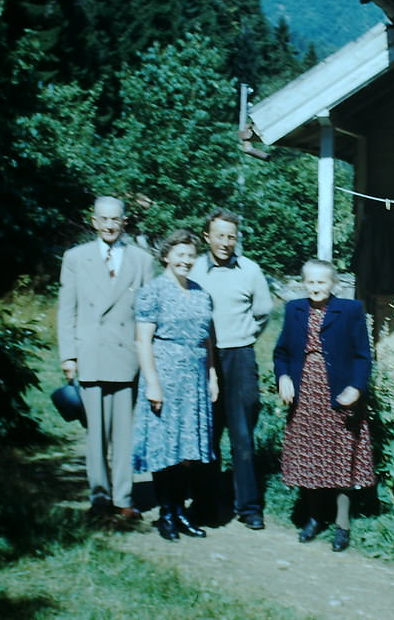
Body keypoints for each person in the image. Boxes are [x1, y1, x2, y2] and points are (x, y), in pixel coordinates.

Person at [57, 196, 153, 520]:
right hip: (90, 356)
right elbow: (66, 310)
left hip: (127, 357)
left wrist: (147, 358)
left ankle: (124, 497)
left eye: (116, 219)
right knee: (95, 433)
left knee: (124, 434)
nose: (110, 225)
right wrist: (68, 355)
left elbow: (147, 313)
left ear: (124, 222)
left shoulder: (141, 260)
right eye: (104, 219)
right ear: (93, 221)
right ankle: (99, 497)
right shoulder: (75, 258)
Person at [273, 258, 375, 552]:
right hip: (305, 393)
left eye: (322, 282)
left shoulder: (350, 310)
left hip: (339, 393)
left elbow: (362, 356)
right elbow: (281, 353)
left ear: (333, 284)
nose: (316, 288)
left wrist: (356, 387)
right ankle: (315, 517)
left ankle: (342, 524)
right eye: (311, 282)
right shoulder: (294, 310)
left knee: (340, 457)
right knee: (311, 456)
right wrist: (283, 377)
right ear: (304, 283)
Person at [189, 209, 273, 529]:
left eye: (231, 236)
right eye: (219, 236)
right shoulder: (194, 269)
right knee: (207, 434)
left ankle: (249, 507)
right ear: (207, 237)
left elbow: (263, 312)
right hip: (203, 359)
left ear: (237, 239)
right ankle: (206, 506)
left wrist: (244, 336)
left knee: (242, 434)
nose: (225, 243)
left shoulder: (250, 270)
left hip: (240, 356)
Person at [133, 230, 218, 541]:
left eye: (190, 255)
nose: (186, 260)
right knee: (165, 446)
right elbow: (143, 341)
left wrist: (212, 374)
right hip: (165, 374)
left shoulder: (200, 292)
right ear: (166, 256)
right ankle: (166, 513)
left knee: (188, 450)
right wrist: (153, 383)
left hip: (194, 378)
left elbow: (207, 338)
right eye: (180, 254)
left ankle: (181, 511)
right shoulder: (152, 292)